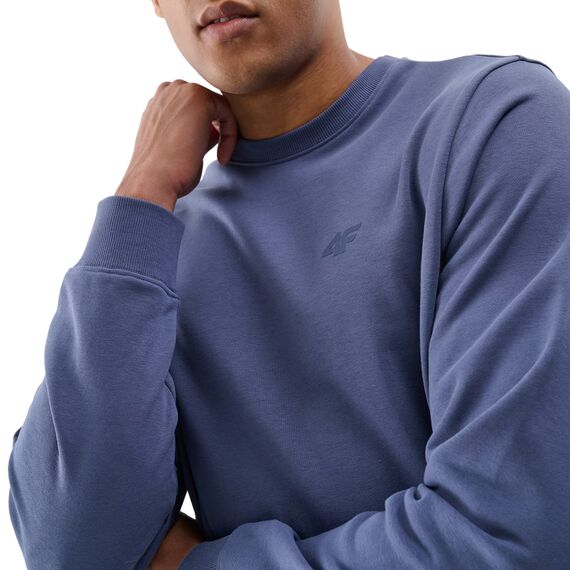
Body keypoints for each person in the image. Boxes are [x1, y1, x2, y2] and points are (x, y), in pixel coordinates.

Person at [7, 0, 570, 568]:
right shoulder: (155, 251)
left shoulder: (495, 125)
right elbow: (69, 547)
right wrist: (141, 189)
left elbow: (509, 536)